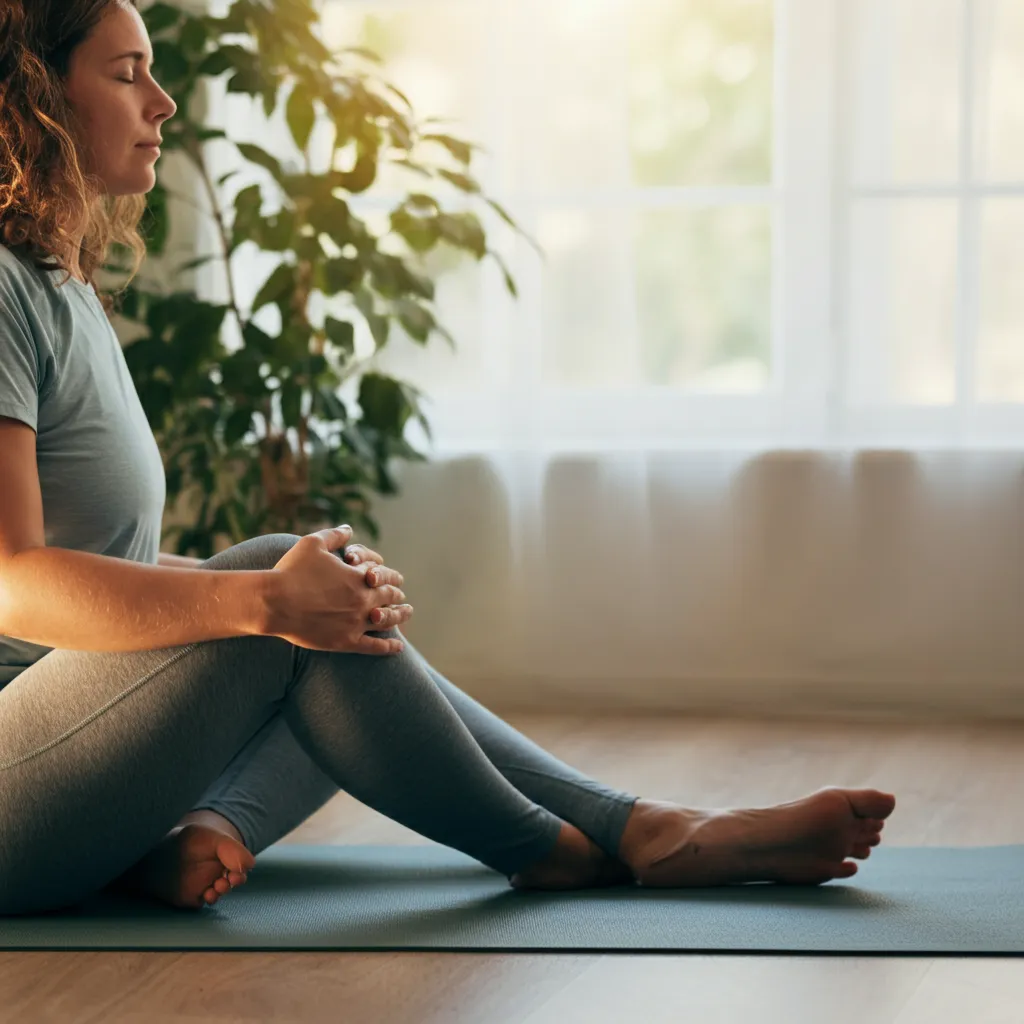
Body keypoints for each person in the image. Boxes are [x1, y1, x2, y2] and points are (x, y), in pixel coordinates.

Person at [0, 0, 895, 917]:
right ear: (33, 99)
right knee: (287, 601)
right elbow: (14, 583)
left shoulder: (59, 284)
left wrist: (299, 589)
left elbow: (108, 563)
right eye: (124, 74)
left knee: (331, 597)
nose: (163, 102)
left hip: (70, 750)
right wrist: (261, 594)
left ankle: (198, 836)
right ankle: (573, 843)